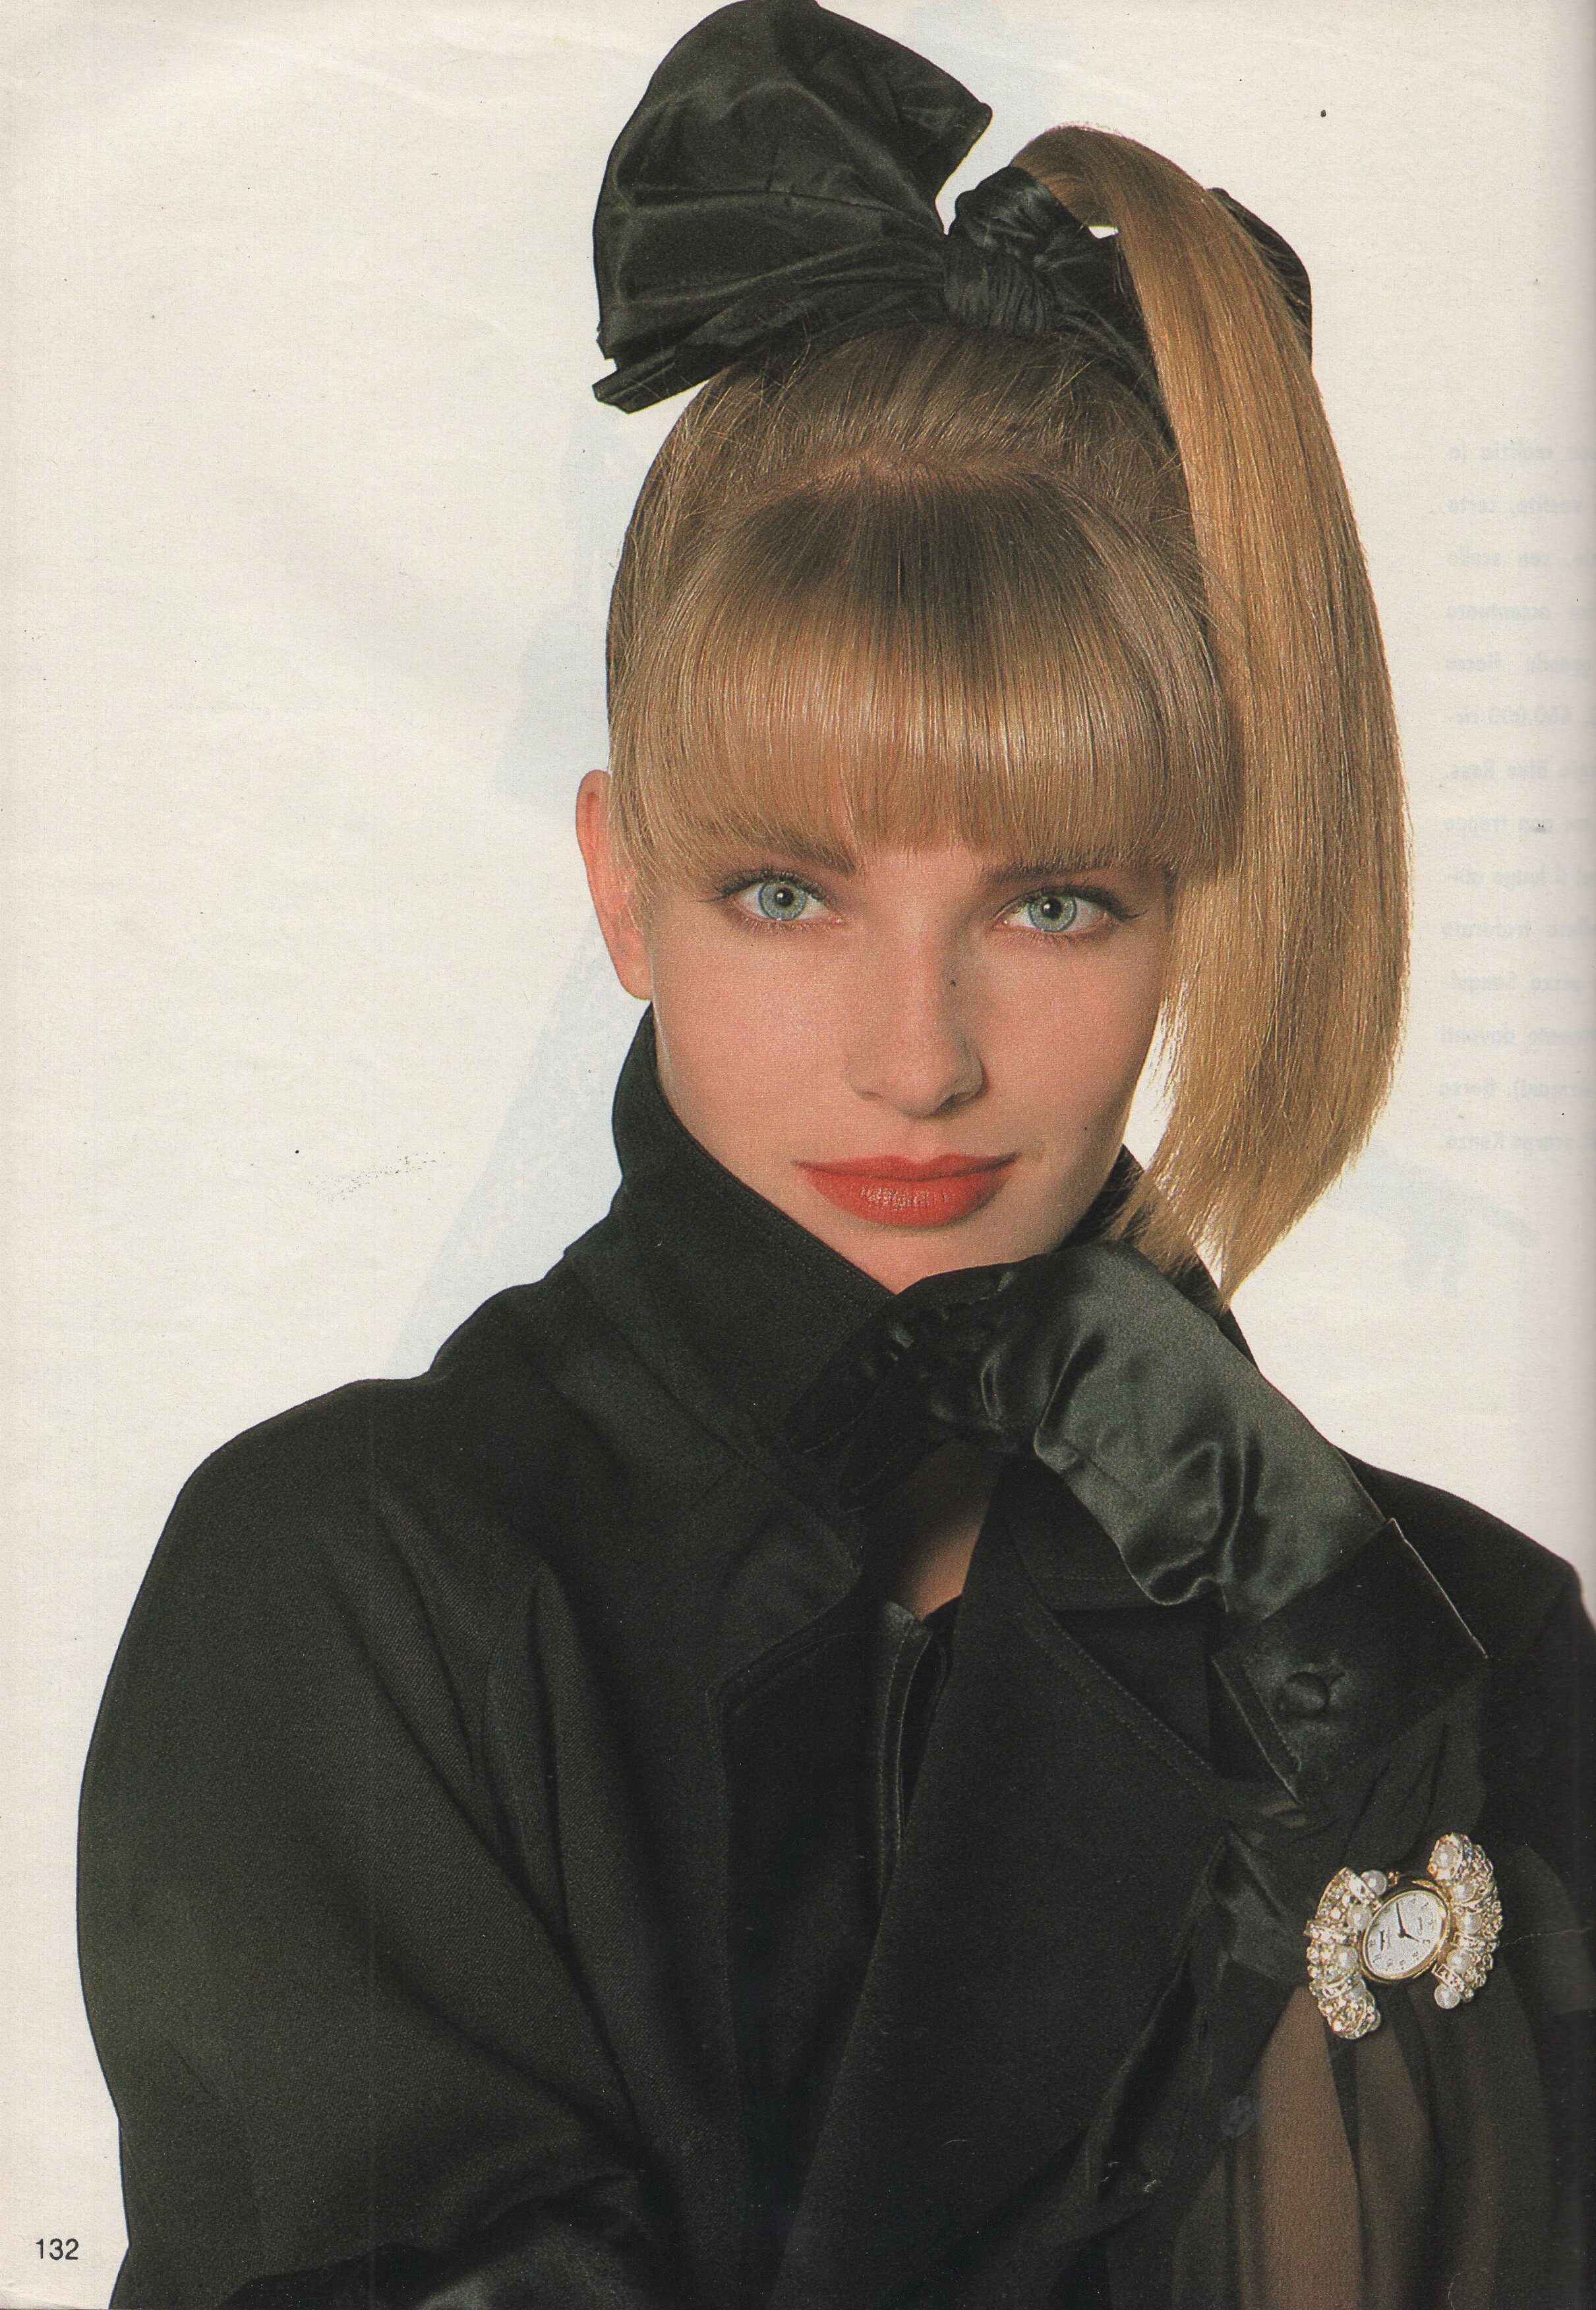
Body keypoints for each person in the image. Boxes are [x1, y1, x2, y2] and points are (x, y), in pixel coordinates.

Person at [77, 3, 1592, 2305]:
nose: (918, 1061)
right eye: (787, 893)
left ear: (1199, 911)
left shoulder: (1451, 1637)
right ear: (622, 886)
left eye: (1054, 903)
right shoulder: (359, 1590)